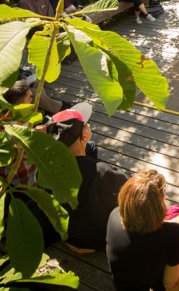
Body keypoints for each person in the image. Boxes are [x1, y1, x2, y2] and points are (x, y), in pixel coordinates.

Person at [106, 169, 179, 291]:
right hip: (156, 285)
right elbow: (171, 285)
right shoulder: (172, 234)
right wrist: (175, 228)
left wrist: (172, 223)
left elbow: (143, 235)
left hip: (123, 285)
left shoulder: (114, 215)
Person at [45, 103, 124, 251]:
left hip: (67, 237)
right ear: (85, 135)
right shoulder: (105, 173)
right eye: (86, 124)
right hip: (99, 241)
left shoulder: (45, 172)